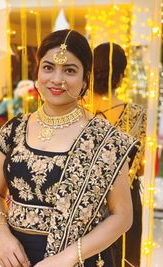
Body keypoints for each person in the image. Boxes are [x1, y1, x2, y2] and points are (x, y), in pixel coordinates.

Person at [0, 30, 139, 267]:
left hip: (80, 260)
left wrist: (66, 258)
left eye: (70, 70)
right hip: (16, 258)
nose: (57, 79)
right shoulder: (12, 131)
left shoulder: (107, 140)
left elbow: (122, 216)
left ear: (85, 79)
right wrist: (1, 234)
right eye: (48, 67)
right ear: (37, 72)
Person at [93, 42, 147, 267]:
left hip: (86, 202)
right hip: (127, 202)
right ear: (122, 76)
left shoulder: (76, 112)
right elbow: (140, 168)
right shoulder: (138, 115)